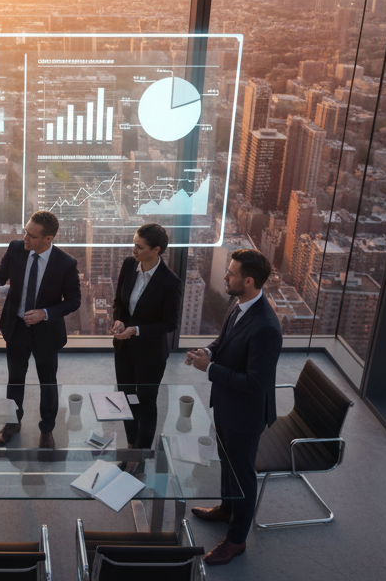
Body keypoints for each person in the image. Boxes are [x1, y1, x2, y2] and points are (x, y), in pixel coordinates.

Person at [185, 248, 282, 566]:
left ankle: (237, 540)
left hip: (245, 413)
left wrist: (209, 371)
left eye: (231, 273)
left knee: (243, 475)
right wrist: (208, 352)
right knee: (227, 462)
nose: (225, 276)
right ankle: (227, 509)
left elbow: (255, 383)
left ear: (249, 280)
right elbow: (224, 341)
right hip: (227, 403)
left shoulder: (266, 327)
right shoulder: (239, 303)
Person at [0, 210, 81, 449]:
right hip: (16, 328)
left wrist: (45, 313)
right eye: (25, 233)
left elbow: (73, 301)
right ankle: (12, 424)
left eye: (31, 236)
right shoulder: (16, 249)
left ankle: (47, 429)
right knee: (15, 380)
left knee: (48, 383)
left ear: (48, 238)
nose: (25, 239)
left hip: (46, 333)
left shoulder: (66, 263)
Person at [110, 223, 181, 470]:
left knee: (147, 402)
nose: (134, 251)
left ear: (156, 250)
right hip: (124, 348)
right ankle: (131, 448)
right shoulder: (129, 265)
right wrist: (119, 320)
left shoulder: (170, 282)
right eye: (134, 244)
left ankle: (141, 455)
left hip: (150, 353)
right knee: (127, 398)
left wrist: (136, 330)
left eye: (139, 247)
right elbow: (119, 300)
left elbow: (169, 323)